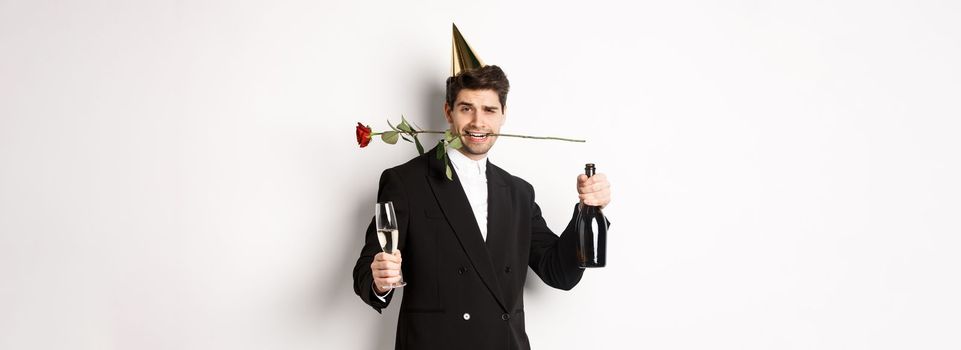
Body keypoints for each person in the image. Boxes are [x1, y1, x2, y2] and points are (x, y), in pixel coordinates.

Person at [352, 64, 612, 350]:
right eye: (467, 108)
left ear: (503, 115)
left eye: (489, 110)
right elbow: (366, 270)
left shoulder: (518, 192)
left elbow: (558, 272)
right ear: (448, 112)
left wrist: (588, 210)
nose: (478, 122)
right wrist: (379, 280)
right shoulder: (405, 182)